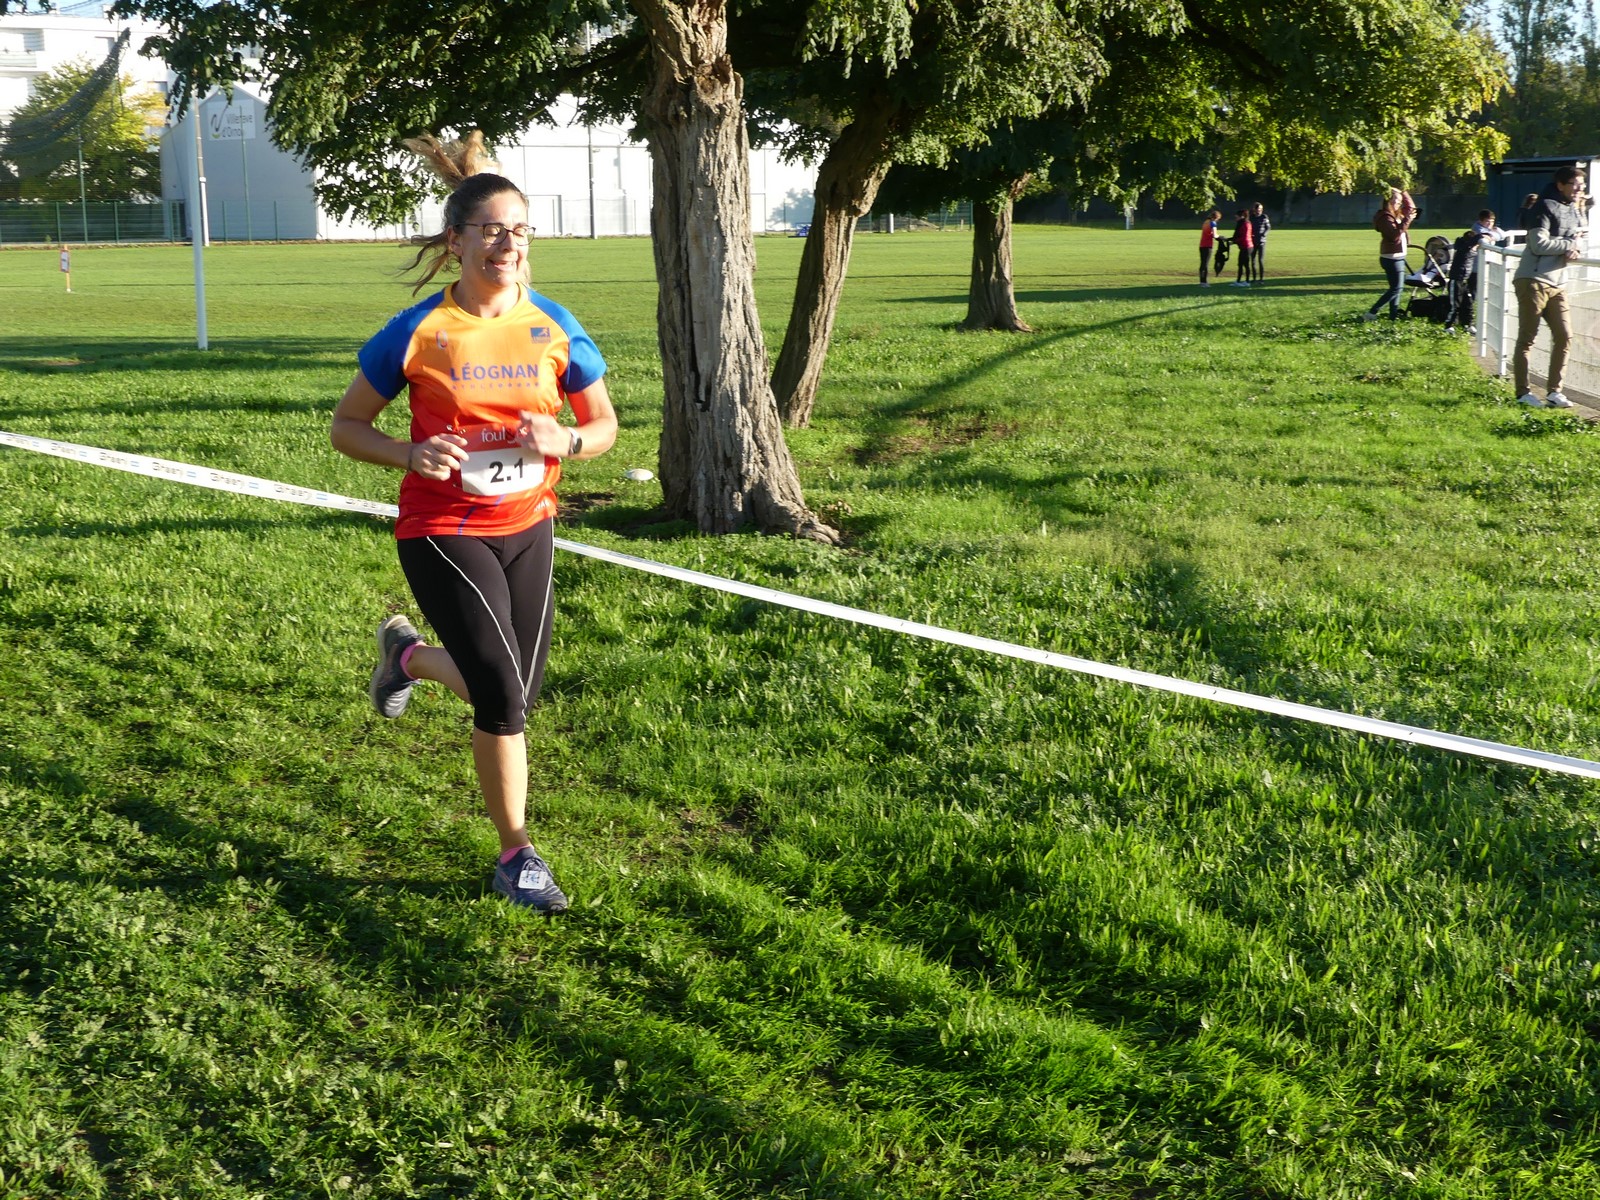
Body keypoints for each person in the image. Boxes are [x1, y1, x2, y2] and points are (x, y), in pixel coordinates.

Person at [330, 132, 618, 912]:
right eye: (491, 230)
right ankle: (516, 854)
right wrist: (408, 452)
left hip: (529, 523)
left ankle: (408, 659)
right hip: (443, 526)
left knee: (518, 690)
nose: (507, 244)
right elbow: (347, 426)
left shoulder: (554, 324)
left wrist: (568, 440)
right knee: (502, 698)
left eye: (518, 230)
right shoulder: (420, 330)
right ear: (456, 240)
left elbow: (603, 426)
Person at [1512, 166, 1588, 408]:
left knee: (1565, 336)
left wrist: (1575, 248)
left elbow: (1577, 241)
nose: (1580, 189)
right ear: (1560, 185)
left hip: (1558, 283)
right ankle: (1523, 394)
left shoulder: (1573, 209)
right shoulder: (1544, 207)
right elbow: (1538, 244)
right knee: (1527, 339)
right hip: (1533, 281)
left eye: (1582, 185)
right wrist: (1568, 245)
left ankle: (1555, 392)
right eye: (1575, 184)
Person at [1444, 209, 1507, 333]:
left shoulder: (1471, 249)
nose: (1478, 246)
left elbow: (1499, 235)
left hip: (1464, 280)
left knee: (1468, 302)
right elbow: (1479, 237)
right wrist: (1489, 235)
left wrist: (1491, 234)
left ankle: (1467, 324)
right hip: (1457, 280)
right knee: (1455, 303)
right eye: (1487, 221)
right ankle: (1449, 326)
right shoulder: (1465, 248)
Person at [1362, 187, 1416, 321]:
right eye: (1396, 201)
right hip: (1392, 258)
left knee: (1396, 288)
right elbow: (1394, 236)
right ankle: (1372, 312)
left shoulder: (1395, 214)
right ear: (1388, 201)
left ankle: (1393, 315)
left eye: (1400, 202)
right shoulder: (1384, 217)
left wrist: (1403, 192)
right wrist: (1407, 220)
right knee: (1396, 288)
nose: (1399, 204)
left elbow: (1411, 208)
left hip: (1398, 256)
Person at [1230, 207, 1254, 287]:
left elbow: (1243, 237)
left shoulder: (1245, 224)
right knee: (1240, 264)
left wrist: (1234, 241)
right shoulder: (1245, 223)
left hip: (1246, 246)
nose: (1235, 218)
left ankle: (1247, 281)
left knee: (1245, 264)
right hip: (1245, 246)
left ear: (1242, 216)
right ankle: (1238, 281)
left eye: (1237, 216)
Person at [1248, 202, 1270, 282]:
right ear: (1254, 209)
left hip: (1261, 242)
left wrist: (1264, 235)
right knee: (1253, 260)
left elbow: (1268, 227)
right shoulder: (1251, 218)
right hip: (1253, 241)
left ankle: (1261, 279)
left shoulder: (1264, 217)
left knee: (1260, 260)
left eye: (1260, 209)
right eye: (1258, 209)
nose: (1259, 210)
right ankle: (1254, 278)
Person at [1198, 210, 1220, 286]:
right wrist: (1221, 237)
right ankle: (1204, 282)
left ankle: (1201, 280)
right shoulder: (1213, 223)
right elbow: (1215, 235)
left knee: (1203, 263)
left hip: (1202, 245)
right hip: (1208, 245)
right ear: (1216, 217)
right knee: (1206, 264)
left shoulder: (1206, 222)